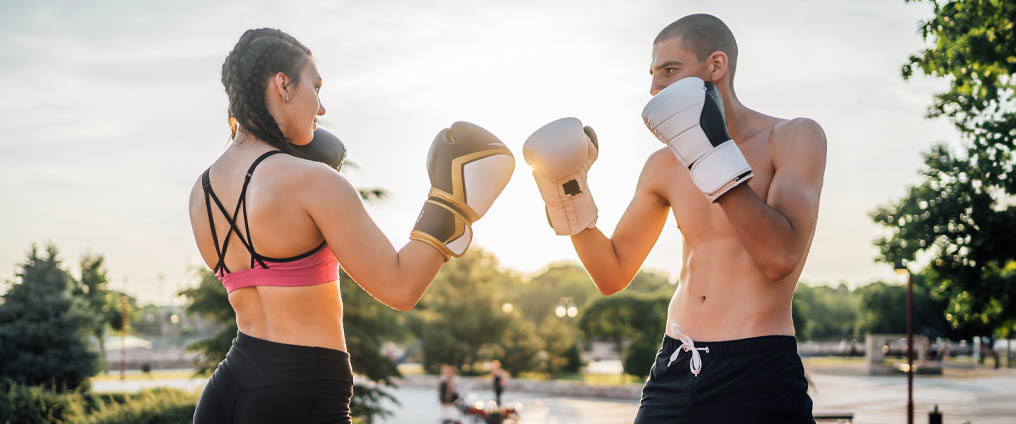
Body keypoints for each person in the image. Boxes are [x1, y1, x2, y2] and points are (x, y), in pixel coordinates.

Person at [188, 28, 514, 423]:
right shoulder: (313, 181)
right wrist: (451, 202)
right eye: (316, 86)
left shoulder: (201, 192)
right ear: (283, 85)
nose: (321, 107)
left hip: (227, 394)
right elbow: (400, 287)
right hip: (303, 398)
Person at [523, 14, 826, 422]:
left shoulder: (792, 137)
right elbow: (611, 274)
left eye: (669, 70)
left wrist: (708, 157)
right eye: (653, 74)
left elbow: (779, 258)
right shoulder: (662, 166)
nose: (654, 87)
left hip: (757, 368)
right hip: (674, 366)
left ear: (715, 66)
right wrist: (567, 195)